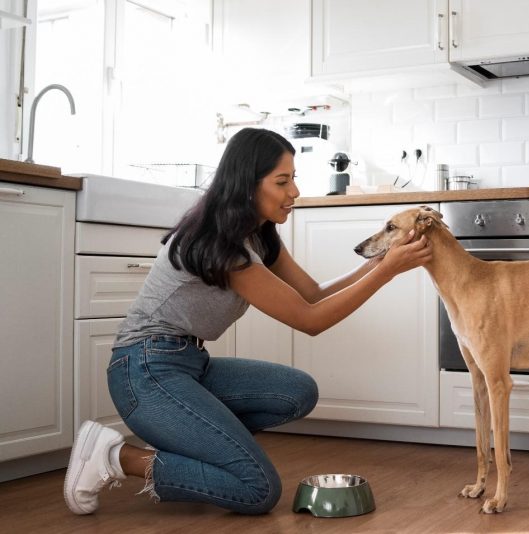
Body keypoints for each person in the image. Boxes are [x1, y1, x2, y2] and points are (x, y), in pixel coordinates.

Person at [63, 127, 432, 516]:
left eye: (294, 179)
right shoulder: (221, 244)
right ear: (247, 185)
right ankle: (116, 457)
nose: (295, 192)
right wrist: (387, 272)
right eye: (282, 181)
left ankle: (198, 451)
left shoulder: (260, 236)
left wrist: (381, 260)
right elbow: (311, 320)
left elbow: (313, 294)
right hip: (143, 371)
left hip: (189, 365)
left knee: (296, 391)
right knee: (257, 489)